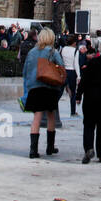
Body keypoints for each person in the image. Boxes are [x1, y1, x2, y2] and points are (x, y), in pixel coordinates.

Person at [22, 28, 65, 158]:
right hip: (49, 87)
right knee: (51, 116)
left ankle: (33, 150)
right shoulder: (53, 52)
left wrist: (29, 85)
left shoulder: (32, 52)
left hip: (35, 88)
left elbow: (25, 71)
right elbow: (61, 68)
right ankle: (50, 147)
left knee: (37, 117)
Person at [61, 35, 79, 115]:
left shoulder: (63, 49)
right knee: (73, 92)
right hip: (72, 71)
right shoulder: (75, 51)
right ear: (74, 43)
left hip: (64, 70)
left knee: (60, 91)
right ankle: (73, 111)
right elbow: (76, 64)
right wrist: (79, 76)